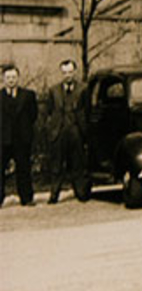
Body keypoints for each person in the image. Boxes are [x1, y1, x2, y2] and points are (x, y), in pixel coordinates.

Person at [46, 59, 90, 203]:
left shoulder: (83, 89)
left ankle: (80, 192)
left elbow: (87, 110)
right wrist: (52, 129)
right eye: (64, 73)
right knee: (57, 165)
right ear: (61, 73)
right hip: (59, 131)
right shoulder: (53, 90)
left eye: (70, 72)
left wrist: (83, 129)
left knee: (77, 163)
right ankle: (54, 194)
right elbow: (49, 111)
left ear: (75, 72)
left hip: (76, 130)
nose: (67, 75)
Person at [1, 65, 38, 207]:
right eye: (8, 77)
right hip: (3, 139)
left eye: (13, 77)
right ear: (3, 79)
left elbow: (33, 115)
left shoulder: (28, 95)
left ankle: (26, 198)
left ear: (18, 78)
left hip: (22, 139)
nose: (11, 80)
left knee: (24, 169)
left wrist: (25, 131)